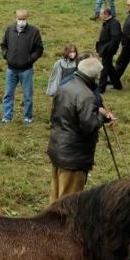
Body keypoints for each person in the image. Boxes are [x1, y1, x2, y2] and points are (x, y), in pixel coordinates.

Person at [47, 56, 114, 203]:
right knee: (68, 202)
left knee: (55, 196)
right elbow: (88, 126)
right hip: (74, 156)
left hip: (58, 147)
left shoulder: (64, 87)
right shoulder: (86, 96)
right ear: (94, 75)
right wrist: (101, 116)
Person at [0, 9, 44, 124]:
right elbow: (3, 45)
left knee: (28, 95)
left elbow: (39, 49)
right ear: (16, 18)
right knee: (8, 94)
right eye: (19, 19)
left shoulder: (34, 31)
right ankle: (7, 117)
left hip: (26, 70)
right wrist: (6, 55)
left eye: (23, 19)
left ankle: (28, 117)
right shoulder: (9, 30)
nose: (21, 21)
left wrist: (29, 60)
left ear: (27, 18)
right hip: (11, 69)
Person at [95, 6, 124, 90]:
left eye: (101, 14)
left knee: (104, 67)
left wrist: (108, 49)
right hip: (105, 48)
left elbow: (116, 38)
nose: (100, 16)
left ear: (106, 14)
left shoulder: (114, 23)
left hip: (108, 50)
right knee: (109, 67)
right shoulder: (107, 22)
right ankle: (117, 85)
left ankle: (101, 87)